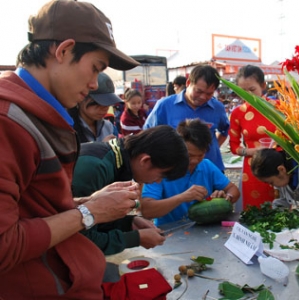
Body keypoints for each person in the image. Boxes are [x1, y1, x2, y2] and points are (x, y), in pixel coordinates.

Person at [0, 1, 142, 298]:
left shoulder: (38, 115)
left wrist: (90, 202)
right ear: (63, 50)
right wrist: (88, 213)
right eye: (95, 69)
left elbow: (34, 209)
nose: (93, 84)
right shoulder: (7, 122)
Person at [72, 125, 189, 254]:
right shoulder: (94, 168)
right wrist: (136, 238)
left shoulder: (119, 163)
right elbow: (80, 240)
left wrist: (129, 222)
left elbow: (97, 218)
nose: (158, 181)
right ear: (145, 160)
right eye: (161, 175)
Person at [141, 118, 240, 226]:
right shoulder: (162, 169)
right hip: (170, 233)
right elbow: (147, 210)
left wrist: (227, 197)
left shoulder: (206, 165)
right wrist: (182, 197)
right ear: (177, 148)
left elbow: (233, 189)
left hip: (204, 230)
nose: (195, 160)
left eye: (200, 155)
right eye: (190, 155)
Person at [144, 65, 229, 172]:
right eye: (198, 91)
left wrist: (209, 147)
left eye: (209, 94)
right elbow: (149, 134)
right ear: (188, 83)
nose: (203, 97)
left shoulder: (217, 108)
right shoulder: (165, 105)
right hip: (176, 170)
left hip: (211, 170)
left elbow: (225, 130)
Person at [228, 65, 276, 207]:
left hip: (278, 168)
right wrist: (251, 152)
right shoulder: (237, 113)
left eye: (252, 90)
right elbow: (234, 146)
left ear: (263, 85)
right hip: (252, 169)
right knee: (253, 211)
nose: (247, 95)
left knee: (280, 211)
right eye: (242, 91)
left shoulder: (278, 108)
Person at [69, 72, 122, 143]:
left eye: (108, 103)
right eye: (98, 103)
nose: (105, 108)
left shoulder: (109, 128)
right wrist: (101, 148)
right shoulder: (67, 129)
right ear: (81, 99)